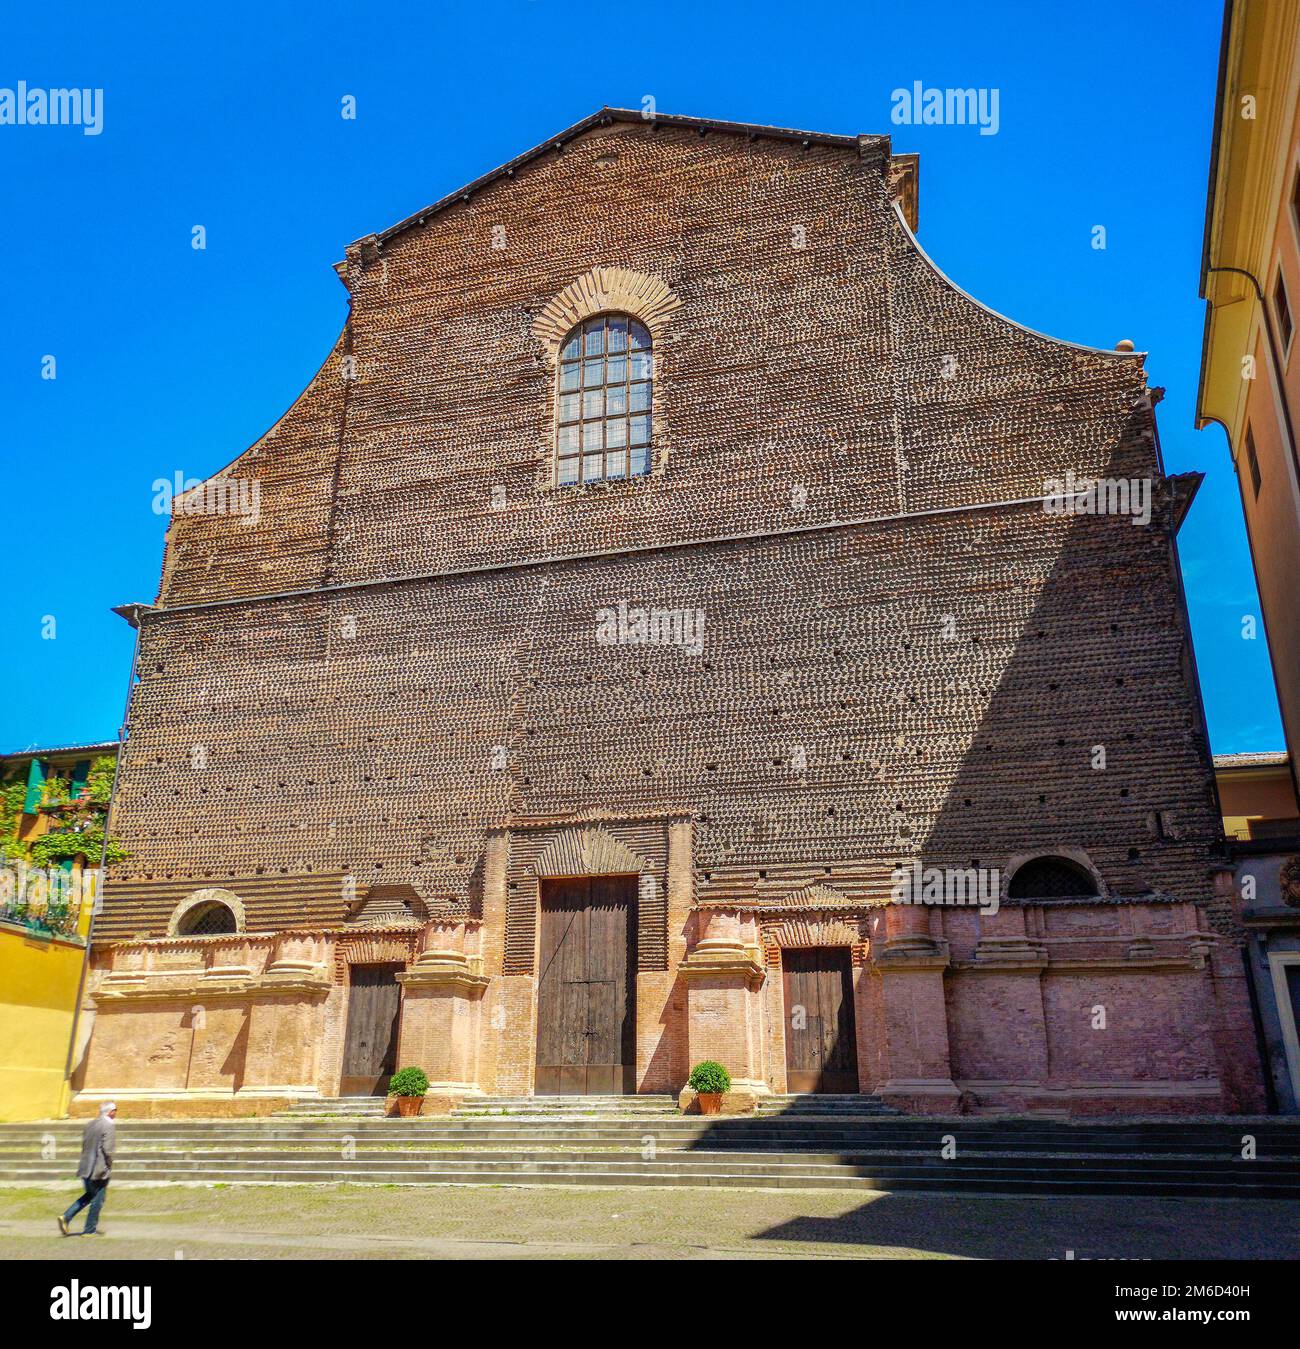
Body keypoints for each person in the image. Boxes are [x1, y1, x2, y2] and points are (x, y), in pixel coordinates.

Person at [58, 1102, 116, 1237]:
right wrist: (109, 1165)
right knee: (98, 1199)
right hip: (99, 1170)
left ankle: (66, 1217)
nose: (115, 1113)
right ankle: (89, 1229)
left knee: (89, 1195)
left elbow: (84, 1145)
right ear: (110, 1112)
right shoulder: (109, 1125)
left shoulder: (90, 1124)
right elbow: (108, 1150)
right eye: (115, 1110)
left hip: (86, 1167)